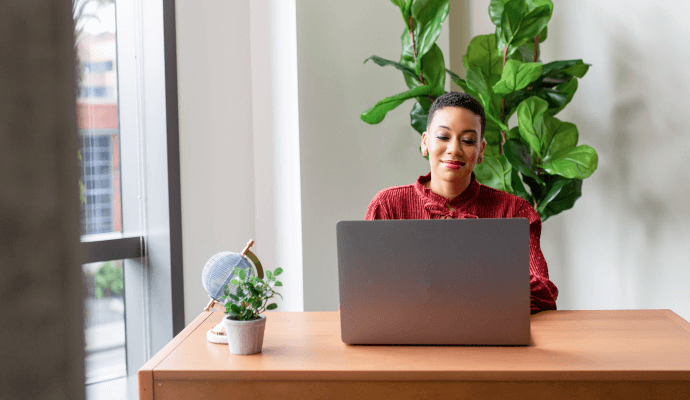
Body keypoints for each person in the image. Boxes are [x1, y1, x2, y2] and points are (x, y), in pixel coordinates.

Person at [365, 91, 558, 313]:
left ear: (481, 151)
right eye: (443, 137)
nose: (454, 149)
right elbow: (362, 294)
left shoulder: (514, 211)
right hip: (408, 338)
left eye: (467, 140)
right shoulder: (388, 206)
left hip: (489, 338)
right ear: (425, 143)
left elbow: (543, 292)